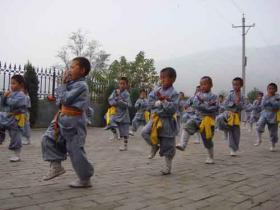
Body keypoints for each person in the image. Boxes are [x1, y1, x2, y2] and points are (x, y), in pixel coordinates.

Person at [41, 57, 94, 188]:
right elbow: (60, 101)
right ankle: (56, 166)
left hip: (74, 122)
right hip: (61, 118)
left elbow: (65, 99)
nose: (69, 70)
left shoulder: (82, 85)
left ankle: (85, 178)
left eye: (72, 67)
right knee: (47, 138)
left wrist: (63, 85)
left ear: (82, 70)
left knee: (75, 150)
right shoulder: (71, 84)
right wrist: (64, 86)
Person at [141, 67, 179, 175]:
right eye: (161, 77)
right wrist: (158, 103)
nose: (162, 80)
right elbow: (150, 103)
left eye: (164, 78)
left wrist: (163, 101)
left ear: (172, 79)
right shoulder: (156, 91)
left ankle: (168, 167)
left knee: (168, 145)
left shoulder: (174, 94)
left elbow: (172, 109)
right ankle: (154, 145)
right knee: (144, 132)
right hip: (156, 118)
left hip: (167, 121)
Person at [176, 76, 218, 164]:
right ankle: (182, 144)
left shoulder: (214, 97)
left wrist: (203, 104)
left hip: (207, 121)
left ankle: (210, 157)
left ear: (211, 85)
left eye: (205, 84)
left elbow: (215, 107)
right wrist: (188, 105)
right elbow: (193, 103)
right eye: (201, 84)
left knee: (207, 140)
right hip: (197, 118)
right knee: (187, 126)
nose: (203, 86)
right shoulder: (197, 95)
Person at [0, 75, 28, 161]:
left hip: (16, 118)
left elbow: (14, 103)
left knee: (15, 135)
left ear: (21, 85)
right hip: (7, 116)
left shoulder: (22, 95)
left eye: (14, 83)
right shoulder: (11, 93)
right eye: (11, 83)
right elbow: (3, 105)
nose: (11, 85)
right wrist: (4, 97)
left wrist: (7, 97)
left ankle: (17, 155)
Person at [216, 77, 245, 156]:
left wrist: (239, 103)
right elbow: (225, 104)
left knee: (236, 133)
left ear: (241, 85)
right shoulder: (230, 94)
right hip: (228, 114)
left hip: (236, 116)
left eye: (237, 85)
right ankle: (232, 149)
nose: (235, 86)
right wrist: (233, 103)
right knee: (220, 119)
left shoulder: (242, 96)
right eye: (234, 85)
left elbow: (243, 106)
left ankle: (235, 147)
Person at [108, 77, 132, 151]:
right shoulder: (115, 92)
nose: (121, 85)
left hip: (124, 114)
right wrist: (115, 101)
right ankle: (115, 134)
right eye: (120, 83)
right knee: (110, 121)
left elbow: (129, 105)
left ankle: (125, 146)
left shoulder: (127, 94)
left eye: (123, 84)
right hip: (116, 112)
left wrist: (119, 99)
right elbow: (110, 100)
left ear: (126, 85)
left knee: (125, 131)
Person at [254, 83, 280, 151]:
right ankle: (259, 139)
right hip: (265, 113)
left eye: (272, 88)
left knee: (273, 132)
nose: (271, 90)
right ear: (267, 89)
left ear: (276, 90)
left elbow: (277, 106)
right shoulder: (265, 97)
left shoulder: (278, 97)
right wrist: (266, 102)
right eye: (269, 88)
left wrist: (270, 102)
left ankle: (272, 144)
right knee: (259, 124)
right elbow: (262, 105)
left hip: (274, 115)